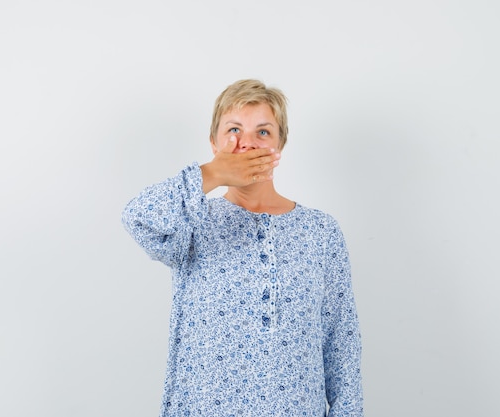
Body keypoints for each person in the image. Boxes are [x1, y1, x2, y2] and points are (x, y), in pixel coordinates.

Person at [122, 79, 363, 417]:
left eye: (263, 132)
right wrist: (212, 173)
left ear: (280, 144)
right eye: (233, 130)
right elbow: (138, 217)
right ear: (213, 143)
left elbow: (342, 345)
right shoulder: (192, 222)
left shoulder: (321, 232)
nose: (247, 143)